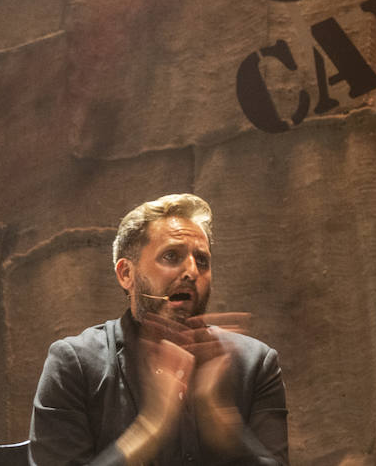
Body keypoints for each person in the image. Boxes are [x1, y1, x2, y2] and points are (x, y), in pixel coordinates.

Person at [30, 193, 289, 465]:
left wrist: (222, 425)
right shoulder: (73, 364)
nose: (191, 271)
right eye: (171, 256)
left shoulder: (256, 363)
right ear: (126, 274)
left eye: (202, 260)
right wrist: (151, 428)